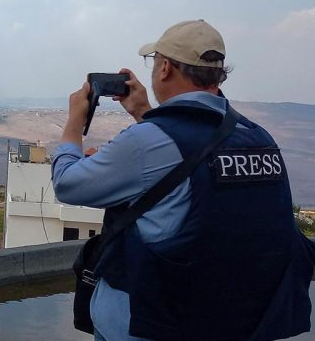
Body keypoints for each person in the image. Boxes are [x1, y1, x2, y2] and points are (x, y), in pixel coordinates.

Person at [52, 20, 313, 340]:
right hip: (237, 321)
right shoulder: (258, 138)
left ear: (165, 69)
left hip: (154, 323)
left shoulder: (145, 143)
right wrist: (142, 111)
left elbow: (66, 183)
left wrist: (75, 121)